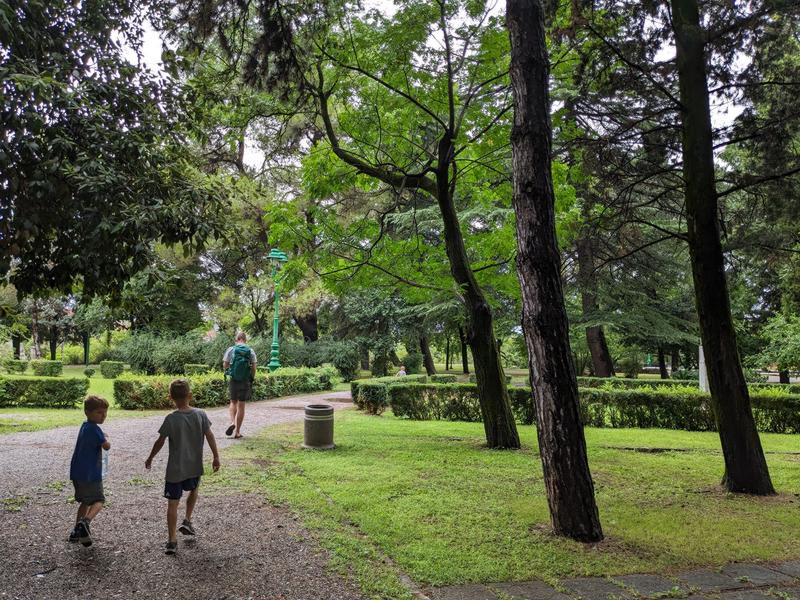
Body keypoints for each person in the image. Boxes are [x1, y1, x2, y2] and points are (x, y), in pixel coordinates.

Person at [145, 379, 220, 555]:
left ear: (170, 397)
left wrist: (150, 458)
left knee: (172, 503)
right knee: (194, 490)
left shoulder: (171, 419)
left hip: (175, 469)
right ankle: (187, 519)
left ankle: (172, 540)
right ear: (190, 395)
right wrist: (216, 457)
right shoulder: (200, 415)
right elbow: (210, 435)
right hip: (194, 466)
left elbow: (160, 441)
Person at [69, 395, 111, 547]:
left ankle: (75, 532)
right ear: (87, 412)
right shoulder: (95, 429)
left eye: (105, 413)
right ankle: (85, 523)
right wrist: (106, 438)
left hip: (77, 473)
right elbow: (106, 446)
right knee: (99, 500)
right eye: (99, 413)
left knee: (85, 502)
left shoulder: (84, 426)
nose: (103, 416)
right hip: (90, 474)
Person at [223, 331, 257, 438]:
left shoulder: (231, 349)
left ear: (236, 339)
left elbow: (225, 364)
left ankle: (232, 422)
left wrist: (230, 371)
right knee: (241, 405)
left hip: (234, 379)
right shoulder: (250, 350)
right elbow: (254, 367)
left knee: (233, 402)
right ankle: (237, 432)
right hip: (245, 380)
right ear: (245, 340)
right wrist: (251, 378)